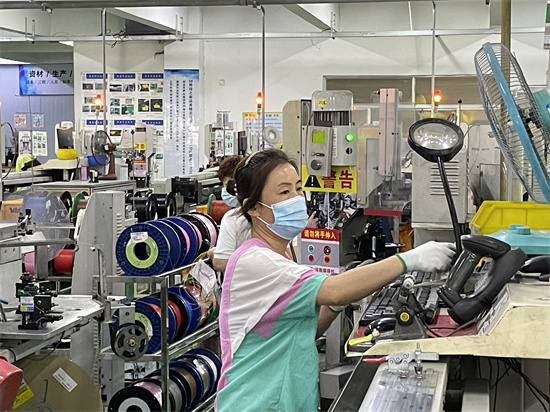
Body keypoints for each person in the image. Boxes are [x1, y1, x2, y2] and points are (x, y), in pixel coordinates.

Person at [215, 149, 455, 412]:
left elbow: (299, 332)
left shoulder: (280, 255)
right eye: (284, 192)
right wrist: (409, 259)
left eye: (298, 189)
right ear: (254, 208)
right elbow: (335, 289)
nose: (297, 199)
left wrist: (336, 305)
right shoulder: (255, 261)